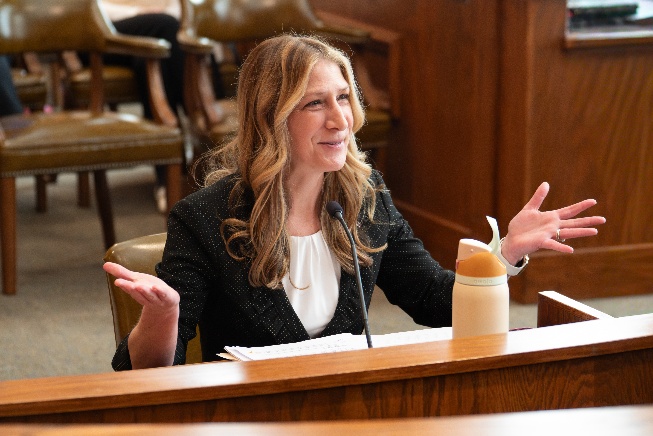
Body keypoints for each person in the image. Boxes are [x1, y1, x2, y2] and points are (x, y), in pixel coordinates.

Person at [104, 34, 606, 371]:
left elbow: (434, 300)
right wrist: (165, 316)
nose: (340, 120)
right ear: (271, 117)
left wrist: (505, 253)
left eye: (343, 97)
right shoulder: (206, 217)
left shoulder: (364, 198)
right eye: (315, 103)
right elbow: (144, 373)